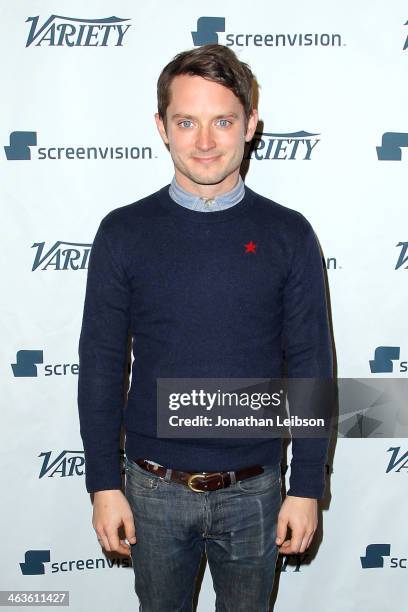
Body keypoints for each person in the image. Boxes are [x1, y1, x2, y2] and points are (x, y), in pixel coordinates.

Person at [77, 43, 333, 611]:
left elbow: (312, 363)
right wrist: (103, 482)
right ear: (162, 127)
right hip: (150, 490)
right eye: (186, 121)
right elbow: (100, 364)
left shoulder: (288, 234)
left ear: (251, 126)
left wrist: (308, 486)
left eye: (223, 121)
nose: (205, 141)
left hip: (258, 492)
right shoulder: (124, 232)